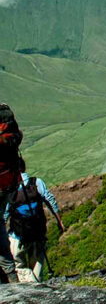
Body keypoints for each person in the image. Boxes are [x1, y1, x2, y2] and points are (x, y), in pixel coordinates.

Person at [4, 158, 64, 282]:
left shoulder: (9, 189)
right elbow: (50, 200)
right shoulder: (36, 182)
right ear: (24, 168)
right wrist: (59, 221)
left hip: (17, 235)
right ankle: (37, 285)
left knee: (18, 266)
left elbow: (5, 213)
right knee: (37, 265)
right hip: (38, 233)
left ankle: (30, 287)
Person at [0, 103, 22, 283]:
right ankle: (11, 276)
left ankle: (7, 276)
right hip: (9, 184)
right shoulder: (11, 130)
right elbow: (19, 136)